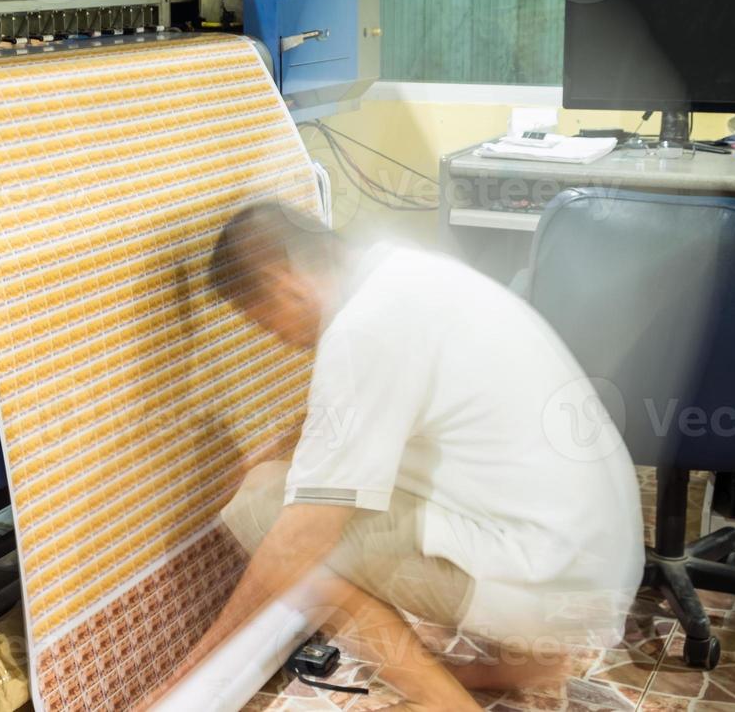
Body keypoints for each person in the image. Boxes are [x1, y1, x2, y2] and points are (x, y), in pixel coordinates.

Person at [174, 201, 643, 710]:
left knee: (264, 512)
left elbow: (301, 538)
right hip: (601, 574)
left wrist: (187, 674)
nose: (280, 340)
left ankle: (448, 704)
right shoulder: (407, 271)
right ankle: (527, 661)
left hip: (554, 589)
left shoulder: (361, 331)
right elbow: (340, 428)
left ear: (284, 281)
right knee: (286, 485)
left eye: (265, 323)